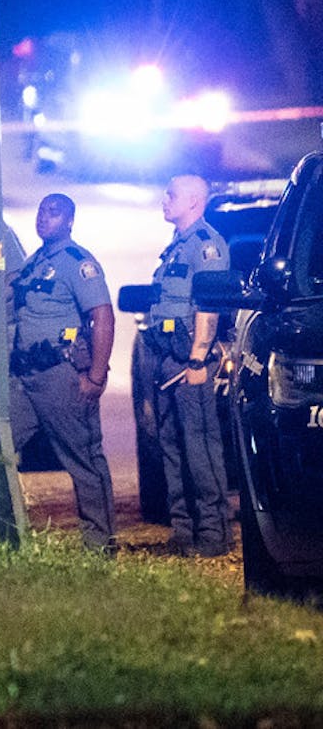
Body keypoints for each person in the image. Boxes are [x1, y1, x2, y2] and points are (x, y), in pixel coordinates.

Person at [8, 193, 116, 552]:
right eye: (41, 210)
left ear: (69, 220)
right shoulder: (34, 262)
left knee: (84, 460)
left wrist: (96, 377)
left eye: (53, 213)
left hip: (60, 375)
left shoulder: (78, 263)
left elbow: (102, 317)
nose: (43, 218)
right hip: (26, 377)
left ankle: (100, 544)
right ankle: (2, 533)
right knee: (0, 448)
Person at [142, 174, 231, 557]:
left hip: (189, 362)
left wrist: (198, 358)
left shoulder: (206, 246)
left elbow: (208, 307)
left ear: (194, 200)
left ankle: (213, 535)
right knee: (172, 447)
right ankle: (183, 533)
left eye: (171, 194)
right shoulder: (175, 248)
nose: (164, 200)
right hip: (166, 360)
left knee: (200, 449)